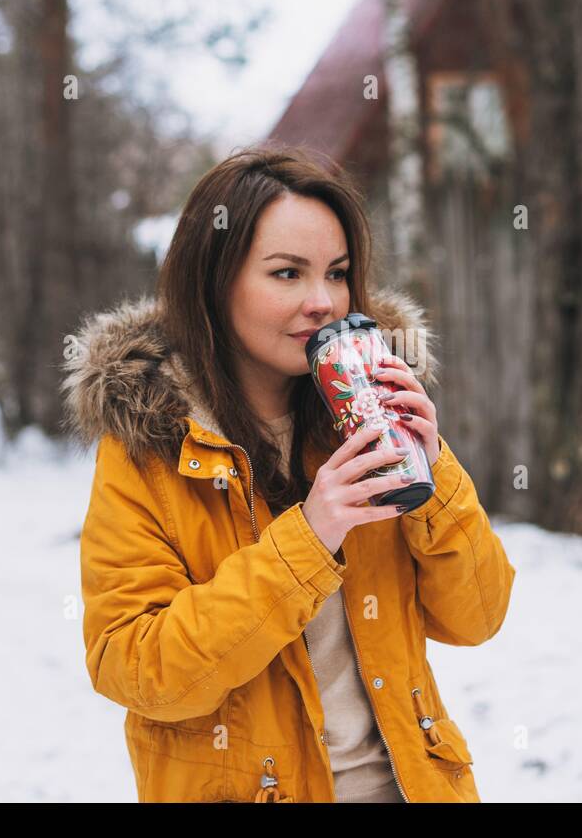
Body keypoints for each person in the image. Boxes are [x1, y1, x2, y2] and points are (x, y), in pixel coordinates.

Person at [61, 145, 517, 802]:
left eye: (337, 273)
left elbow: (477, 617)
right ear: (215, 283)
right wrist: (311, 536)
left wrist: (432, 467)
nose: (323, 302)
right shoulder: (151, 448)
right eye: (286, 274)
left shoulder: (364, 415)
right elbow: (135, 667)